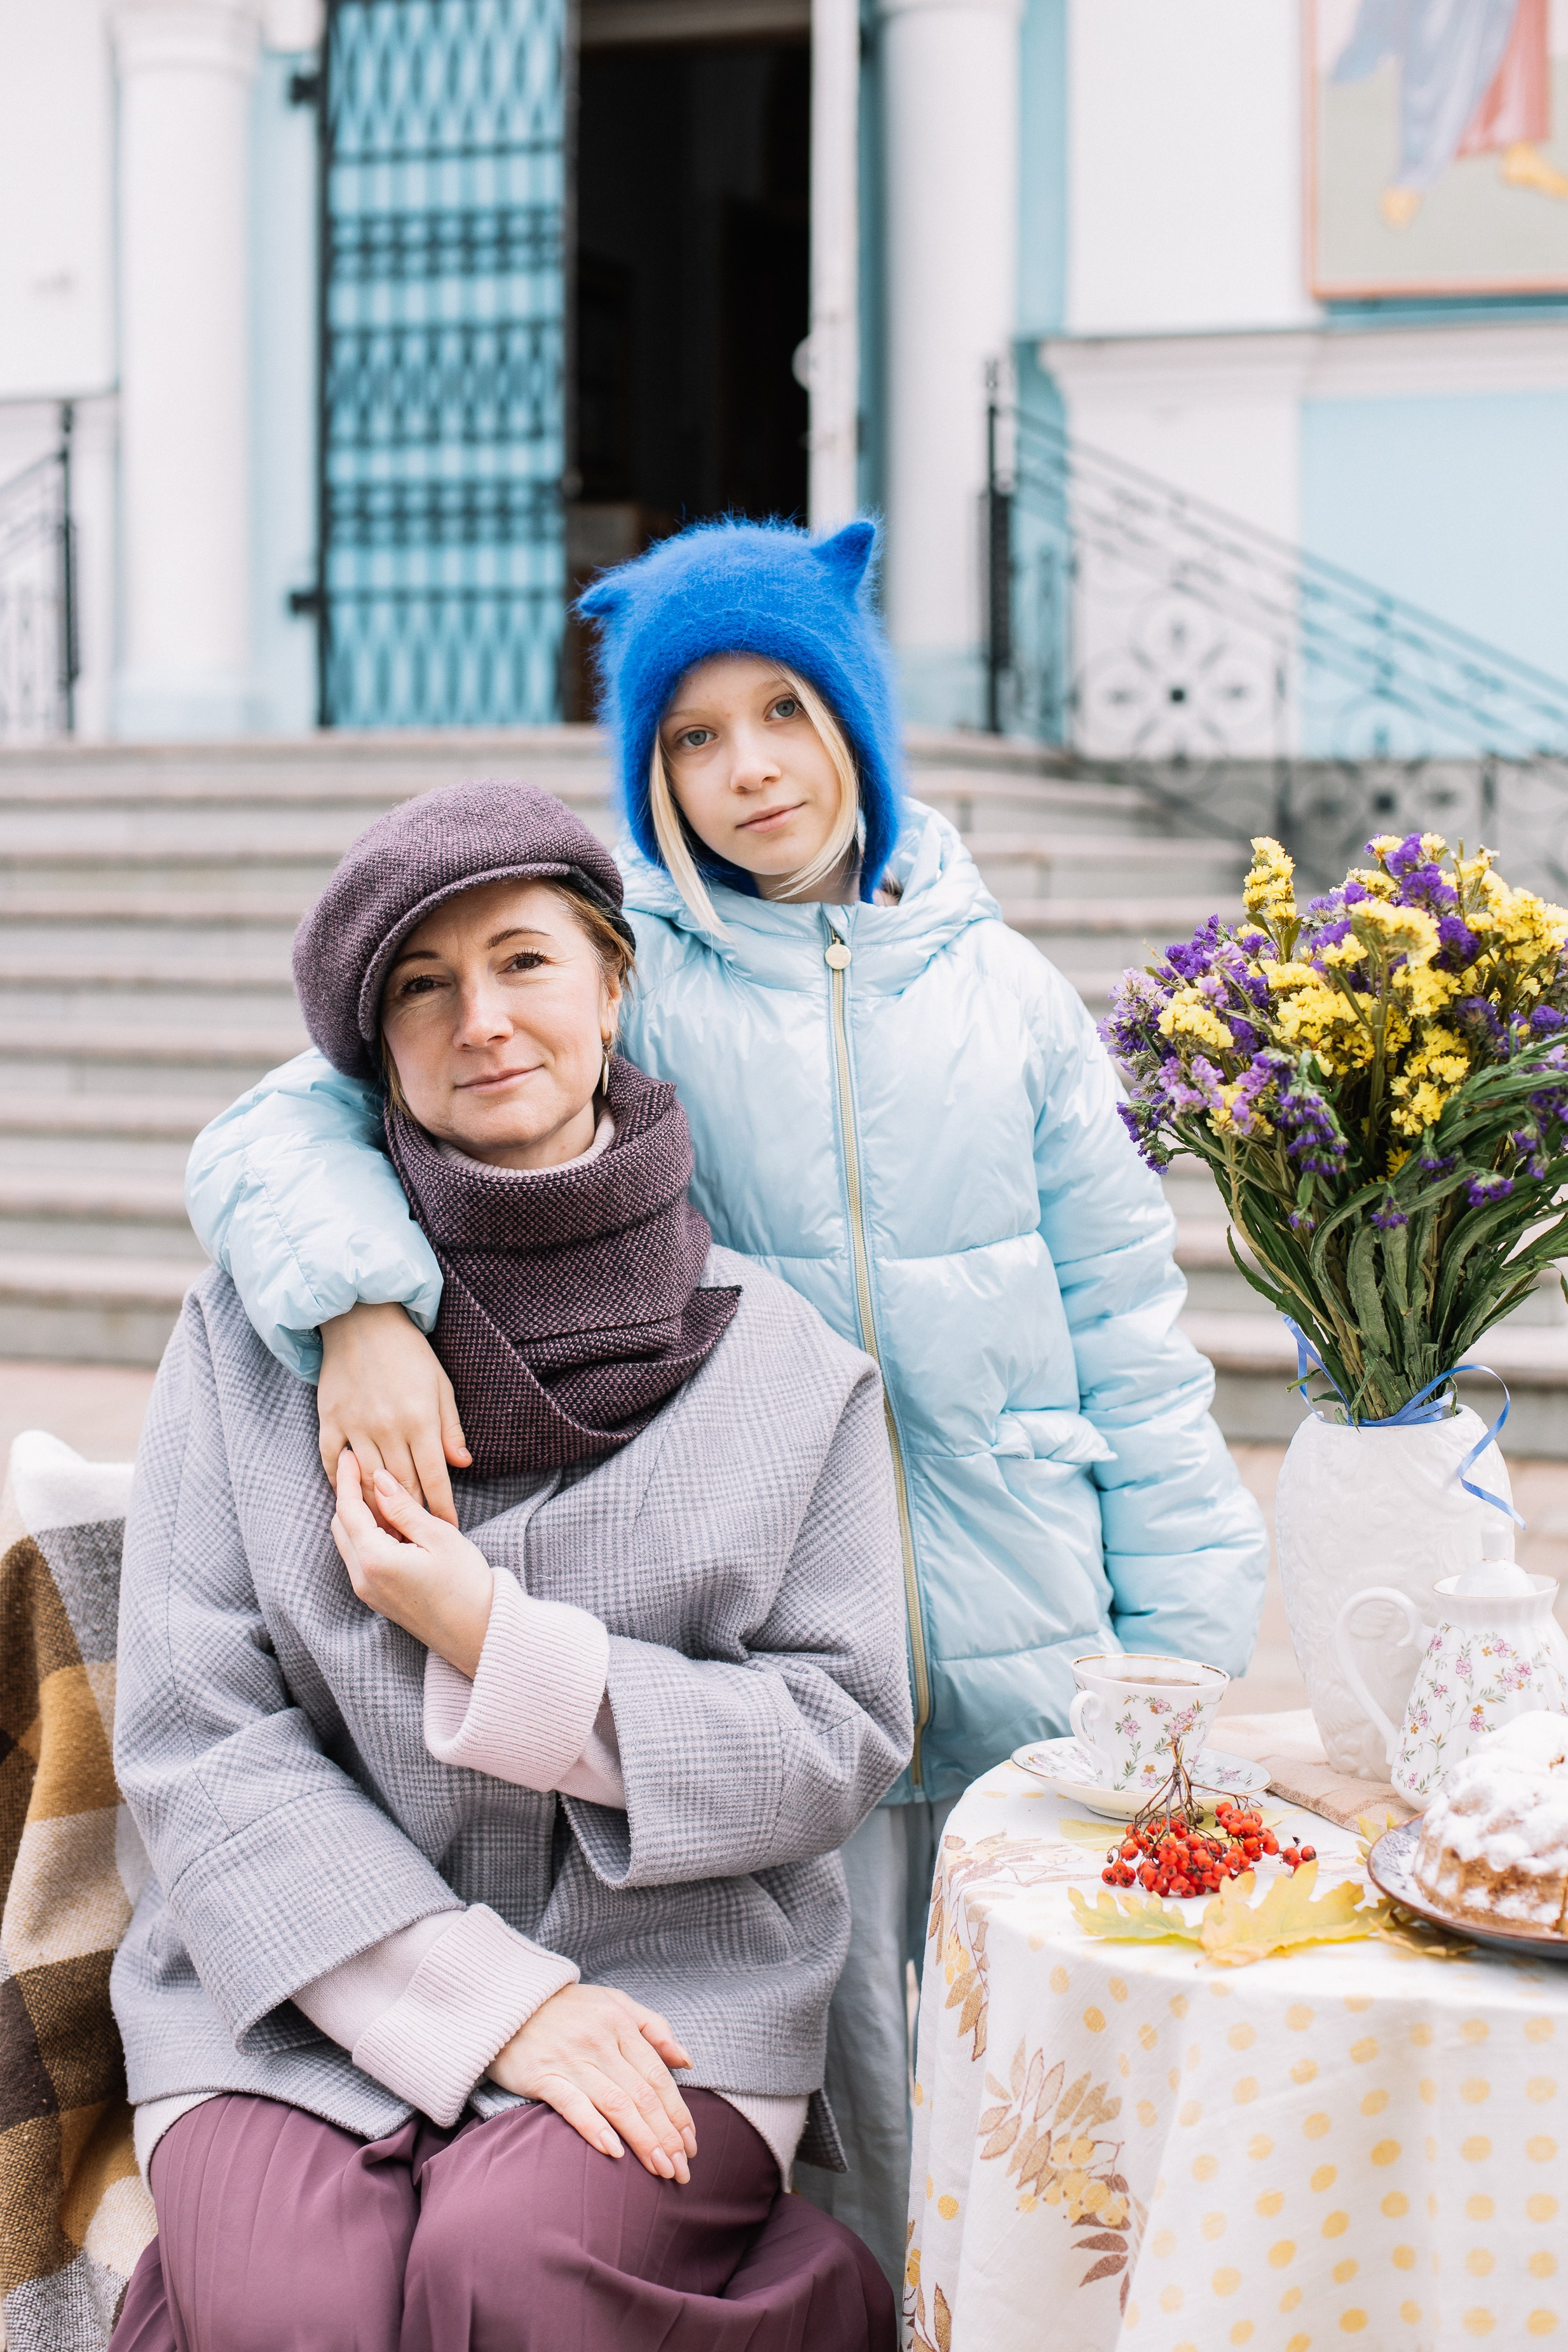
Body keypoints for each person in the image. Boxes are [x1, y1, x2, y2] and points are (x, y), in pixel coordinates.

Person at [182, 516, 1269, 2283]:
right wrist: (360, 1303)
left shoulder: (1005, 998)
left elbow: (1130, 1338)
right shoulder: (636, 968)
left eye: (783, 709)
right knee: (855, 2126)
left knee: (1058, 2138)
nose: (747, 767)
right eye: (690, 735)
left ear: (856, 718)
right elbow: (279, 1123)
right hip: (771, 1657)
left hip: (1033, 1644)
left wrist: (1186, 1640)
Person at [111, 781, 910, 2352]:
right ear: (375, 1048)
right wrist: (496, 2002)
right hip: (291, 1985)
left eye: (526, 960)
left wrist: (493, 1635)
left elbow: (836, 1736)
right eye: (424, 983)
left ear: (614, 983)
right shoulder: (247, 1340)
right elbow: (197, 1735)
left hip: (672, 1986)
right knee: (296, 2316)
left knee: (507, 2273)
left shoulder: (791, 1365)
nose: (482, 1017)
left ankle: (815, 2305)